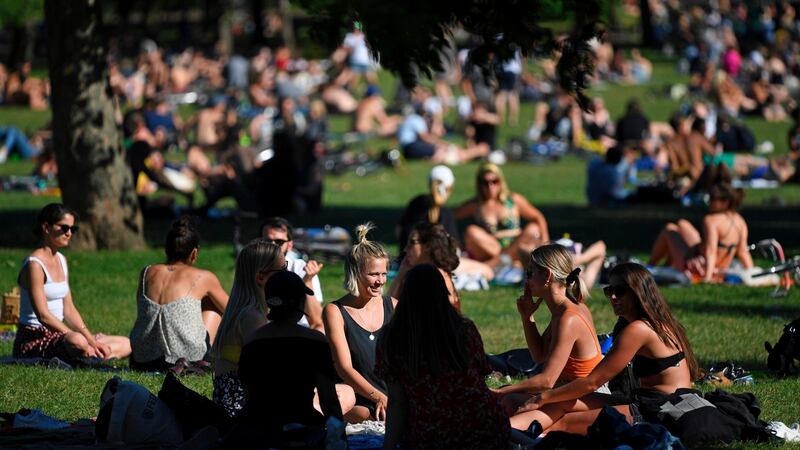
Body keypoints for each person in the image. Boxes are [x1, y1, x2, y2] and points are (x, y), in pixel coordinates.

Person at [513, 263, 699, 435]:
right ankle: (503, 430)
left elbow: (591, 383)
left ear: (638, 293)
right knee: (562, 402)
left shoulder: (638, 330)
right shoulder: (656, 322)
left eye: (620, 291)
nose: (613, 297)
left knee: (562, 422)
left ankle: (502, 435)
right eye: (609, 290)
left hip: (659, 411)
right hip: (645, 400)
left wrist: (542, 397)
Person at [377, 264, 511, 449]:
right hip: (485, 426)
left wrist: (388, 446)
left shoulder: (392, 338)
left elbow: (397, 401)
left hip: (431, 433)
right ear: (442, 292)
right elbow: (481, 376)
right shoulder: (464, 329)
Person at [225, 271, 355, 446]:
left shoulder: (252, 341)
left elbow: (250, 395)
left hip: (260, 426)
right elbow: (328, 398)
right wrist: (340, 438)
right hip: (302, 423)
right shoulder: (314, 341)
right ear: (300, 303)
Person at [495, 245, 605, 430]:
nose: (526, 278)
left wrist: (500, 390)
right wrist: (527, 317)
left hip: (579, 397)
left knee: (506, 429)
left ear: (547, 275)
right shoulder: (564, 310)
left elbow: (547, 381)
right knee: (508, 402)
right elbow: (539, 356)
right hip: (564, 393)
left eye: (530, 272)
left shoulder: (568, 318)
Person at [14, 204, 131, 361]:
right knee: (77, 341)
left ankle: (91, 354)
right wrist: (73, 335)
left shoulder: (61, 260)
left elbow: (69, 310)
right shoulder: (34, 265)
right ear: (46, 227)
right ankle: (90, 355)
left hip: (60, 334)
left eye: (72, 229)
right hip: (34, 337)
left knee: (127, 343)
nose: (69, 233)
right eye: (64, 228)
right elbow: (43, 316)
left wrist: (91, 341)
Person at [129, 217, 228, 371]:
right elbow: (233, 309)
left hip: (142, 359)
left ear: (166, 249)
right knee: (212, 303)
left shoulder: (147, 272)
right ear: (194, 253)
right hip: (185, 360)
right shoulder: (204, 277)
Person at [322, 223, 396, 422]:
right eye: (373, 274)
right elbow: (344, 368)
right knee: (364, 414)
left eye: (383, 274)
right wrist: (379, 398)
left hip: (394, 395)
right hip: (359, 396)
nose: (380, 281)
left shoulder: (394, 306)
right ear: (355, 273)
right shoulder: (335, 311)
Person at [211, 239, 284, 417]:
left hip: (231, 401)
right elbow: (266, 370)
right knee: (341, 395)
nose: (287, 275)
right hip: (243, 407)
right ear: (261, 277)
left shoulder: (244, 311)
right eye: (282, 270)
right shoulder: (252, 317)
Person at [649, 183, 754, 283]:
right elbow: (743, 252)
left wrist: (707, 277)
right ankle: (666, 266)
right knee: (683, 224)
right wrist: (752, 271)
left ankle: (650, 266)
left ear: (725, 202)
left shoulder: (712, 220)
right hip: (718, 265)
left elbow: (711, 251)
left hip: (697, 267)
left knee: (669, 229)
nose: (709, 201)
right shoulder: (740, 221)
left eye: (712, 198)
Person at [456, 163, 550, 268]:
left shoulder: (514, 200)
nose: (490, 186)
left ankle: (493, 264)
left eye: (494, 181)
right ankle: (506, 261)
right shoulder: (475, 205)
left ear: (501, 182)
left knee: (533, 229)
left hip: (516, 244)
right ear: (479, 184)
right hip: (492, 247)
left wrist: (545, 243)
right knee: (471, 231)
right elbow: (451, 217)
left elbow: (538, 217)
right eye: (485, 183)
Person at [261, 217, 324, 332]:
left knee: (321, 329)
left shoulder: (301, 268)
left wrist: (308, 281)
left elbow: (316, 320)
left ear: (290, 245)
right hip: (267, 330)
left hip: (300, 329)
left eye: (279, 242)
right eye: (267, 241)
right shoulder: (253, 269)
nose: (273, 246)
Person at [388, 223, 462, 311]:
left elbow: (390, 310)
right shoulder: (429, 273)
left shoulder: (434, 278)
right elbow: (388, 307)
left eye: (412, 243)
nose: (406, 249)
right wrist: (402, 271)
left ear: (427, 246)